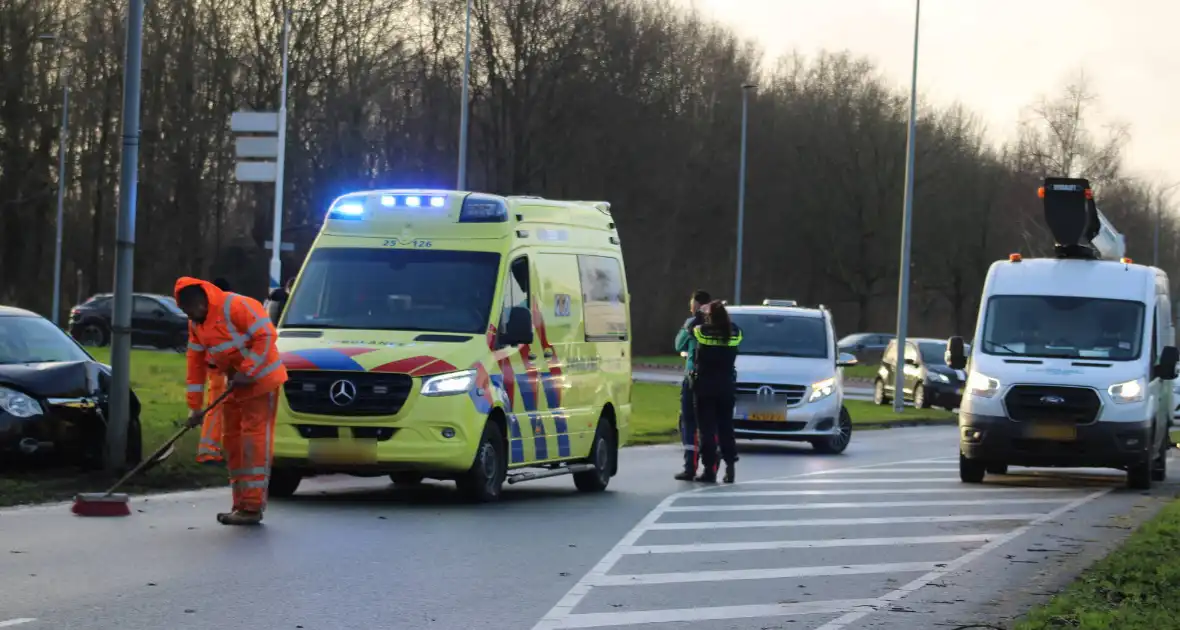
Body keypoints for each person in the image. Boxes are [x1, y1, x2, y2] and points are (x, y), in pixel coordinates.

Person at [176, 276, 288, 525]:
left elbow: (266, 336)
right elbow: (195, 365)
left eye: (191, 309)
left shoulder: (237, 305)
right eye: (185, 311)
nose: (191, 315)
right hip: (235, 384)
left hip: (262, 380)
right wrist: (195, 408)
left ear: (201, 299)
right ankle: (240, 504)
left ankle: (252, 506)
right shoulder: (196, 324)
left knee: (253, 442)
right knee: (233, 441)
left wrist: (248, 370)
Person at [690, 300, 743, 483]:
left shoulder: (702, 331)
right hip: (726, 386)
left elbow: (691, 329)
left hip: (705, 386)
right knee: (726, 428)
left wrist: (699, 313)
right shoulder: (734, 332)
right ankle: (730, 467)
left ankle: (709, 470)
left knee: (706, 430)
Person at [195, 277, 234, 466]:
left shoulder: (207, 310)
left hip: (215, 369)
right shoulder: (224, 311)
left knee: (216, 409)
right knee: (217, 410)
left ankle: (211, 449)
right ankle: (210, 452)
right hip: (222, 370)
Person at [673, 290, 711, 481]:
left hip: (693, 378)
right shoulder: (722, 325)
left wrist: (689, 328)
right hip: (715, 380)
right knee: (710, 424)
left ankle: (690, 466)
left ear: (696, 305)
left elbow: (679, 345)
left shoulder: (692, 324)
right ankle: (711, 468)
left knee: (689, 422)